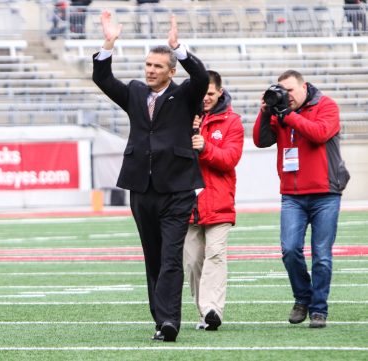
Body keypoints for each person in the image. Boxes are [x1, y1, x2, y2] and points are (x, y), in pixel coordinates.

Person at [92, 11, 208, 341]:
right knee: (153, 256)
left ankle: (170, 321)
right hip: (141, 186)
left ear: (172, 71)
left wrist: (179, 47)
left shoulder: (186, 94)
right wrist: (109, 43)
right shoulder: (134, 92)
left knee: (171, 255)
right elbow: (103, 80)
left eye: (158, 66)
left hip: (177, 187)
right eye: (147, 65)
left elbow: (199, 78)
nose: (151, 70)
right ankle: (160, 318)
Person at [253, 70, 350, 328]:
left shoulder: (326, 106)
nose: (287, 95)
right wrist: (265, 113)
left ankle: (319, 309)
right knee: (290, 250)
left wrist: (288, 115)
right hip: (292, 195)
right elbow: (261, 141)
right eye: (282, 90)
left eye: (291, 90)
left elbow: (318, 134)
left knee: (321, 256)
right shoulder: (281, 111)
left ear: (304, 87)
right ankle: (303, 298)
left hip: (326, 193)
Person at [183, 70, 244, 331]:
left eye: (210, 93)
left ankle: (212, 310)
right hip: (187, 204)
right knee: (193, 261)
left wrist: (205, 148)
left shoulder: (232, 122)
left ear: (220, 92)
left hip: (218, 202)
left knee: (216, 255)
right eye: (202, 93)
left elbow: (230, 159)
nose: (205, 98)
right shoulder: (182, 118)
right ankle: (204, 311)